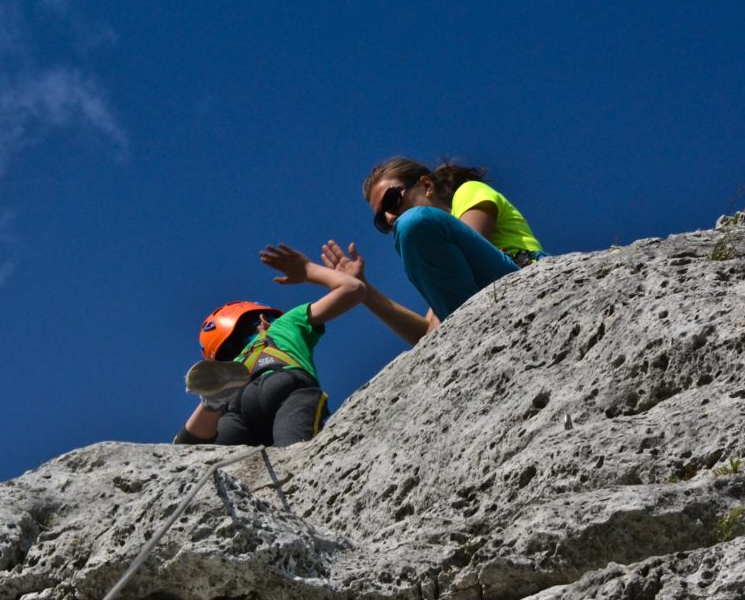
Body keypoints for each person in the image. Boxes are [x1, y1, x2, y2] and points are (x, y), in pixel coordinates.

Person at [322, 157, 546, 344]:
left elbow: (471, 248)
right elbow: (428, 335)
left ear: (427, 185)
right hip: (483, 308)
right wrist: (364, 290)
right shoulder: (446, 266)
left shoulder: (468, 192)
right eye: (382, 220)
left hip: (521, 278)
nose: (390, 217)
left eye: (391, 201)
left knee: (413, 222)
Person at [173, 243, 366, 447]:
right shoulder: (285, 323)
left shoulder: (237, 362)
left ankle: (210, 403)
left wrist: (212, 399)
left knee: (193, 452)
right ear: (264, 319)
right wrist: (311, 270)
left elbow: (185, 445)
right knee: (292, 457)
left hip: (237, 403)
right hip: (287, 384)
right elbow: (353, 289)